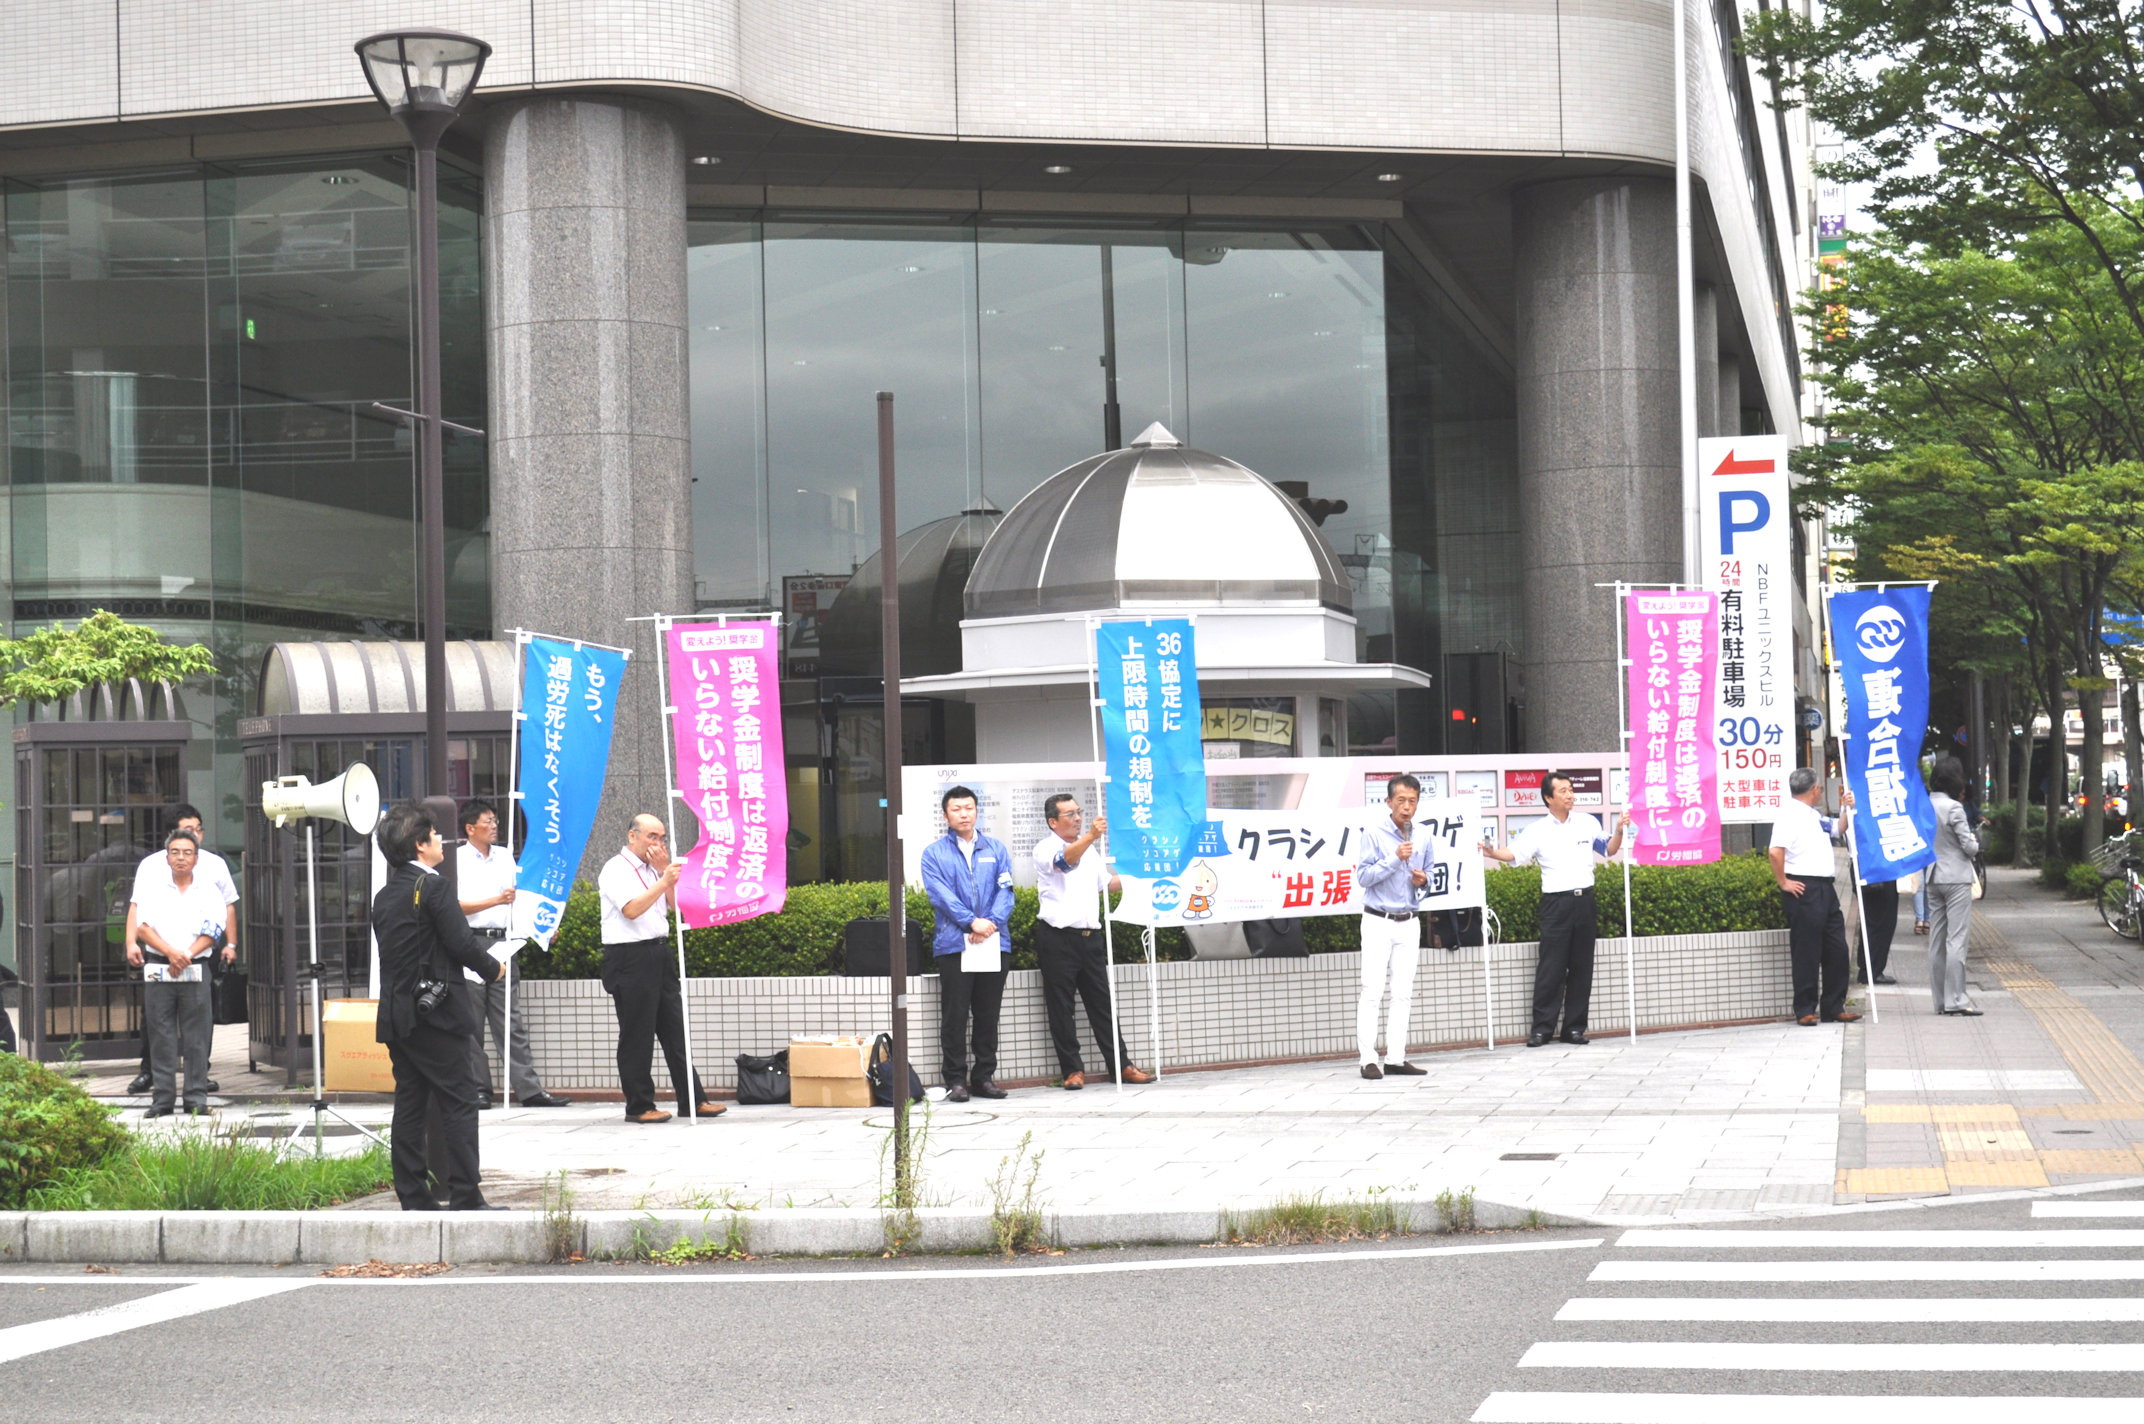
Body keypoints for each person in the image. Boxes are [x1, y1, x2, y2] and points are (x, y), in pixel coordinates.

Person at [371, 801, 503, 1211]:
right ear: (419, 844)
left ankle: (413, 1196)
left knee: (410, 1102)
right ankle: (466, 1193)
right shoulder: (434, 887)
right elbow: (461, 942)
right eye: (433, 835)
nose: (440, 841)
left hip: (397, 1014)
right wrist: (493, 967)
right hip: (436, 1013)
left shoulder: (385, 895)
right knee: (460, 1100)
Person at [1483, 771, 1627, 1046]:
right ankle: (1542, 1029)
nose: (1570, 794)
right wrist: (1491, 853)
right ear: (1549, 798)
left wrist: (1619, 829)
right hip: (1555, 904)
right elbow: (1514, 854)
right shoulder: (1538, 830)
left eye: (1571, 789)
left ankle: (1574, 1028)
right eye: (1563, 791)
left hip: (1585, 901)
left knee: (1582, 966)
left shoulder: (1586, 823)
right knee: (1551, 967)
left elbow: (1609, 849)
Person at [597, 814, 723, 1123]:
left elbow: (675, 905)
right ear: (632, 836)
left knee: (675, 1030)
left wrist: (666, 876)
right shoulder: (615, 869)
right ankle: (639, 1105)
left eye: (662, 837)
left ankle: (693, 1099)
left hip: (659, 953)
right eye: (652, 836)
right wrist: (664, 879)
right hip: (629, 957)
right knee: (637, 1034)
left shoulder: (656, 870)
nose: (658, 843)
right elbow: (631, 909)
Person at [1032, 794, 1153, 1090]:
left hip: (1090, 938)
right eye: (1069, 814)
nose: (1077, 818)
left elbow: (1106, 885)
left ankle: (1120, 1065)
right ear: (1052, 821)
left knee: (1102, 1004)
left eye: (1078, 812)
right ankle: (1072, 1070)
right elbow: (1065, 862)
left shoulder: (1091, 850)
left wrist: (1141, 874)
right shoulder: (1045, 848)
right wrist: (1091, 836)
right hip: (1057, 937)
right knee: (1061, 1007)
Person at [456, 800, 567, 1109]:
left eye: (495, 820)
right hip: (472, 944)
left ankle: (529, 1090)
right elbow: (456, 906)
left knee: (510, 1020)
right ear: (470, 828)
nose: (495, 826)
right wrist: (495, 900)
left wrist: (541, 929)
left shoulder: (506, 857)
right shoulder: (457, 860)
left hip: (505, 943)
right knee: (472, 1021)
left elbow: (520, 901)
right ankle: (479, 1089)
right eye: (488, 821)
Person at [125, 804, 236, 1096]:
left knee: (198, 1025)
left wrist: (198, 952)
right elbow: (139, 916)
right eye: (188, 832)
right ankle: (154, 1081)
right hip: (160, 960)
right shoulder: (152, 870)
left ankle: (197, 1083)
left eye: (198, 830)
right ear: (170, 842)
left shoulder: (211, 871)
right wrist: (137, 944)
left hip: (197, 961)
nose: (184, 854)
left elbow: (223, 915)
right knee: (156, 1023)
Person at [921, 785, 1015, 1103]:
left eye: (969, 807)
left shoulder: (996, 849)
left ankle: (984, 1077)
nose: (964, 813)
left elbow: (1007, 891)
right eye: (957, 808)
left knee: (988, 1014)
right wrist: (970, 922)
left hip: (992, 942)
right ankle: (956, 1080)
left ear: (977, 811)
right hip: (954, 944)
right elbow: (940, 894)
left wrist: (989, 924)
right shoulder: (934, 854)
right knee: (955, 1014)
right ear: (946, 814)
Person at [1768, 767, 1863, 1027]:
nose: (1821, 789)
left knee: (1837, 949)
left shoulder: (1813, 815)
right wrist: (1783, 882)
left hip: (1825, 889)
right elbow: (1775, 852)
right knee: (1807, 951)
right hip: (1804, 888)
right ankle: (1805, 1009)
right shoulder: (1789, 815)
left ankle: (1833, 1006)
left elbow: (1838, 829)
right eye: (1819, 786)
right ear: (1813, 790)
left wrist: (1846, 807)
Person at [1353, 774, 1434, 1078]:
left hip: (1409, 921)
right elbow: (1363, 877)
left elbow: (1429, 873)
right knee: (1372, 990)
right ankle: (1368, 1059)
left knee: (1403, 992)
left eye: (1412, 801)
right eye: (1400, 800)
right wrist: (1393, 858)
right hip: (1378, 920)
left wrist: (1423, 881)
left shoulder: (1423, 835)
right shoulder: (1374, 834)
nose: (1406, 807)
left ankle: (1396, 1058)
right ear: (1388, 802)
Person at [1926, 754, 1983, 1016]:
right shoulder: (1953, 808)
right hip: (1956, 878)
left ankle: (1939, 1001)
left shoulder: (1924, 805)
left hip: (1932, 876)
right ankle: (1957, 1000)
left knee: (1936, 940)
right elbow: (1969, 847)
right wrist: (1976, 840)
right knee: (1957, 939)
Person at [1857, 879, 1901, 985]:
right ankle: (1872, 970)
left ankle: (1868, 969)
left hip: (1873, 877)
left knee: (1874, 922)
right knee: (1882, 923)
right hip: (1880, 877)